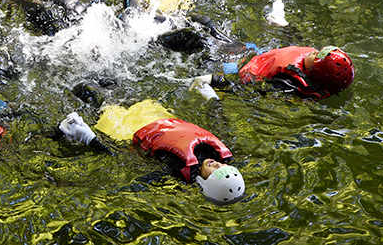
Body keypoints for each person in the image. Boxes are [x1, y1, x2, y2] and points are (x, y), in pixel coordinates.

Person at [57, 101, 246, 205]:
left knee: (93, 96)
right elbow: (221, 127)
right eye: (225, 167)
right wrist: (213, 99)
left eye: (217, 172)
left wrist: (90, 139)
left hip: (126, 129)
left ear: (205, 183)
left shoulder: (174, 171)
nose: (219, 165)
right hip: (158, 116)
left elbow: (122, 161)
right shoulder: (222, 154)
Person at [194, 45, 355, 101]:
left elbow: (249, 93)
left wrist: (216, 80)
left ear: (313, 72)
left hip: (238, 69)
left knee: (204, 52)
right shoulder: (309, 66)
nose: (312, 52)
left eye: (314, 56)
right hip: (252, 54)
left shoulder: (286, 83)